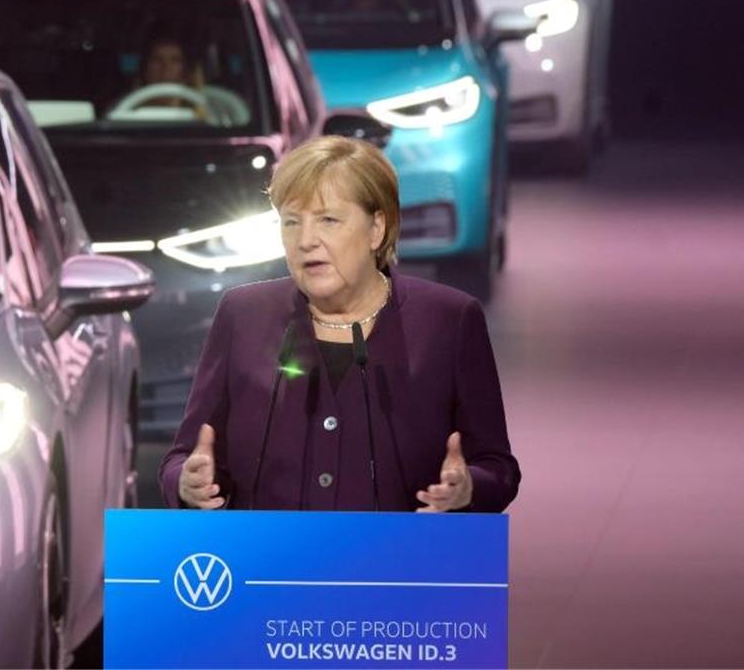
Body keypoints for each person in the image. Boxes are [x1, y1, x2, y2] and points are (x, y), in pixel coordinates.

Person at [160, 136, 520, 512]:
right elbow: (183, 456)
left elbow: (497, 468)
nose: (305, 240)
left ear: (376, 229)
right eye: (292, 222)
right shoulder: (243, 315)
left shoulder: (448, 320)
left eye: (328, 220)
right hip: (265, 563)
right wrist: (187, 482)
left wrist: (467, 489)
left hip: (396, 563)